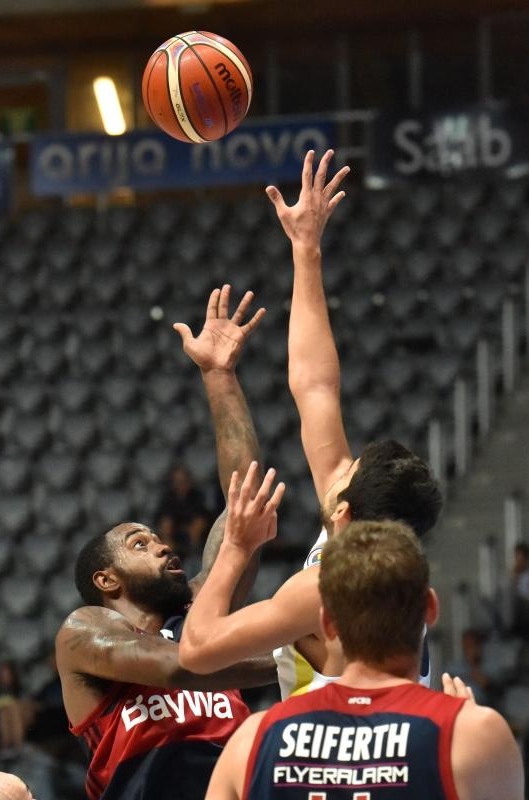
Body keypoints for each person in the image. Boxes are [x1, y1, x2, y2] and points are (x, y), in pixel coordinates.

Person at [179, 151, 443, 696]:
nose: (339, 464)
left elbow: (198, 650)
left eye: (349, 471)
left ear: (344, 511)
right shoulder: (389, 560)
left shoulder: (326, 589)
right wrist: (306, 251)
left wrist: (234, 545)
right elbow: (315, 387)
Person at [55, 287, 276, 800]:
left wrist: (219, 377)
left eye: (156, 538)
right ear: (106, 580)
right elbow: (181, 667)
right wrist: (297, 659)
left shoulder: (203, 607)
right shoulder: (84, 631)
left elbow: (244, 496)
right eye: (139, 544)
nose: (161, 546)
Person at [204, 508, 524, 800]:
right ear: (431, 608)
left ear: (327, 624)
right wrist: (465, 731)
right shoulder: (472, 737)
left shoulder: (253, 740)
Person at [154, 464, 212, 561]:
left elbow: (202, 517)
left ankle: (195, 554)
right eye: (177, 481)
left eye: (183, 481)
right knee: (166, 527)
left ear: (189, 481)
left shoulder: (196, 495)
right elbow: (164, 519)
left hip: (194, 534)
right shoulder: (168, 497)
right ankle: (169, 560)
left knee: (198, 525)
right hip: (175, 534)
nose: (180, 484)